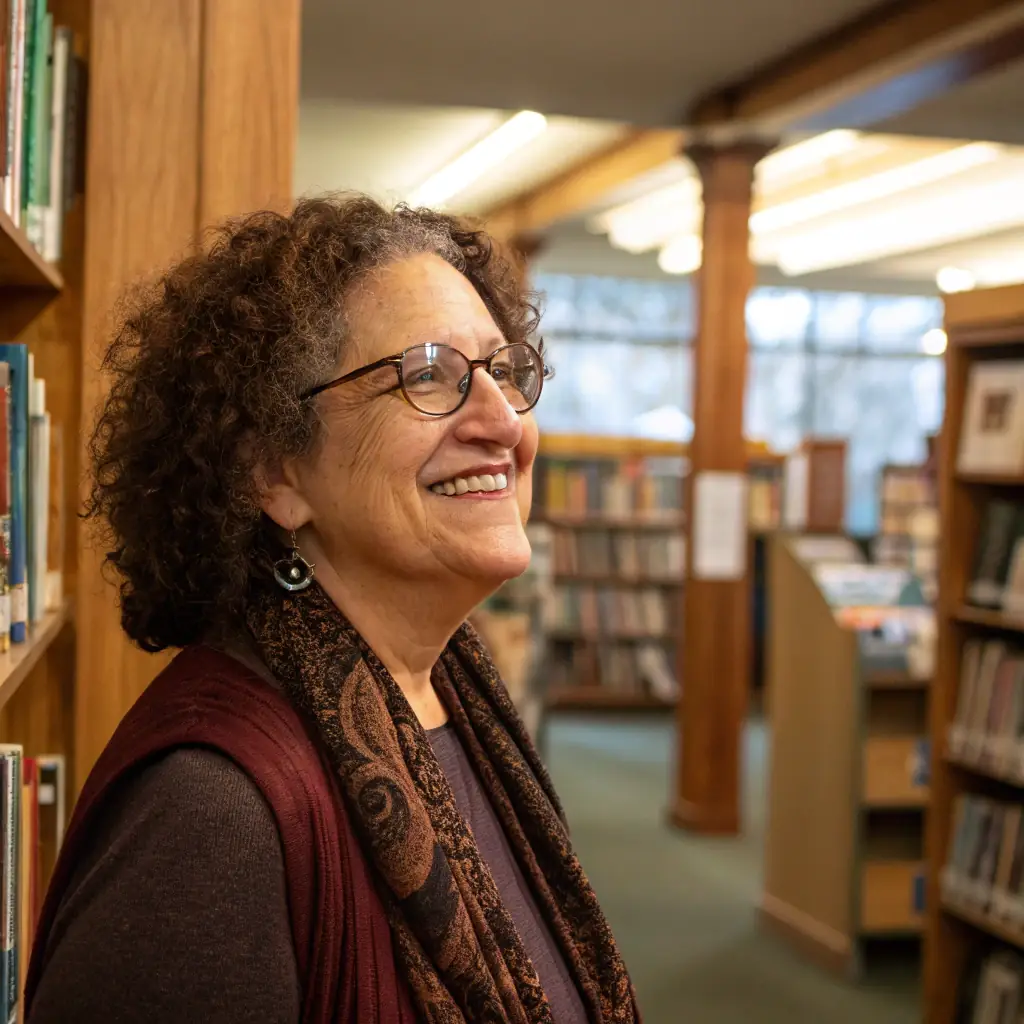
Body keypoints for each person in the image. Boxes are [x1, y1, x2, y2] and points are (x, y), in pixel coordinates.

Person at [25, 196, 640, 1024]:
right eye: (429, 374)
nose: (503, 421)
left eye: (503, 370)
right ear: (274, 469)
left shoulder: (459, 700)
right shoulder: (209, 818)